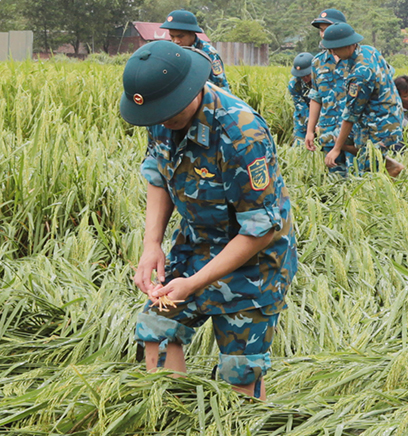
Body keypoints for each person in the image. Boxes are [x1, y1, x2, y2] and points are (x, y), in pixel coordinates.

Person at [120, 41, 297, 401]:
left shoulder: (240, 134)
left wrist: (194, 283)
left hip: (253, 262)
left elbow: (260, 229)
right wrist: (151, 244)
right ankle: (173, 419)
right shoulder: (161, 115)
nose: (163, 120)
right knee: (156, 331)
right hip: (195, 244)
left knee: (240, 373)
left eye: (168, 110)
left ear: (191, 89)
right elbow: (159, 175)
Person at [322, 23, 405, 177]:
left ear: (347, 45)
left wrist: (336, 149)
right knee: (333, 136)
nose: (332, 52)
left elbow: (351, 115)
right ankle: (387, 163)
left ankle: (389, 169)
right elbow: (390, 71)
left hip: (380, 124)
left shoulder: (359, 75)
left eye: (334, 48)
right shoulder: (369, 50)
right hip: (389, 113)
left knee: (366, 174)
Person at [304, 8, 351, 172]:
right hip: (329, 131)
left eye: (327, 29)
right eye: (322, 31)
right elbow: (316, 97)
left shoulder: (357, 58)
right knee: (335, 182)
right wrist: (310, 130)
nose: (324, 35)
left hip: (354, 133)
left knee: (361, 180)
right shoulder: (318, 62)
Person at [160, 10, 231, 92]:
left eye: (181, 36)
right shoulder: (171, 51)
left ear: (192, 33)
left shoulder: (208, 53)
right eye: (172, 36)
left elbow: (222, 87)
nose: (176, 41)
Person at [288, 52, 313, 144]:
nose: (305, 77)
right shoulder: (294, 84)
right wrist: (311, 125)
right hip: (303, 116)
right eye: (302, 75)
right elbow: (301, 107)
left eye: (307, 74)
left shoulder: (322, 81)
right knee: (299, 145)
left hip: (323, 116)